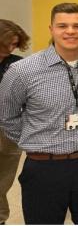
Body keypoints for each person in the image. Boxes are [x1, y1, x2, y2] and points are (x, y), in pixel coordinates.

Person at [0, 3, 78, 224]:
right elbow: (6, 116)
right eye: (63, 26)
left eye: (77, 25)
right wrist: (35, 138)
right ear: (51, 29)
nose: (70, 31)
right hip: (45, 166)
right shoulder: (22, 71)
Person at [0, 20, 29, 225]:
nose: (9, 50)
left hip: (9, 132)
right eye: (5, 45)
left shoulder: (17, 64)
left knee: (4, 180)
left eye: (13, 45)